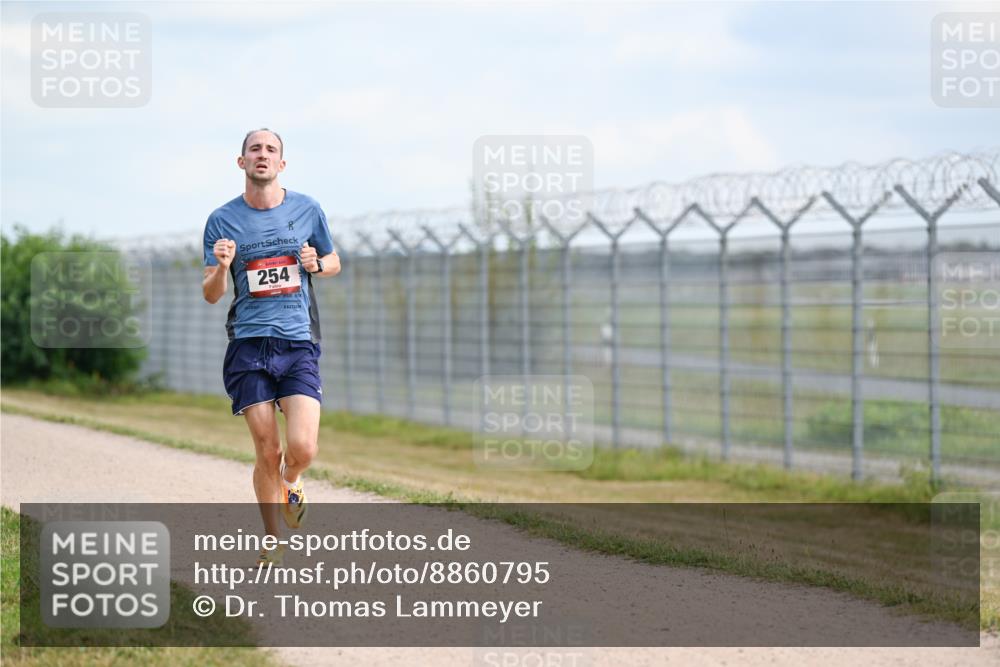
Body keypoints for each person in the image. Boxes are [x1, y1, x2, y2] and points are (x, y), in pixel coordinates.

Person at [202, 128, 340, 565]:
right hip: (248, 345)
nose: (263, 155)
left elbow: (334, 261)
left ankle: (293, 481)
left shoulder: (307, 208)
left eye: (271, 150)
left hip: (298, 341)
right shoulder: (222, 221)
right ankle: (272, 536)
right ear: (241, 162)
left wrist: (318, 263)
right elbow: (210, 293)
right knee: (267, 449)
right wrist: (222, 267)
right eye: (254, 149)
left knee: (302, 449)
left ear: (282, 163)